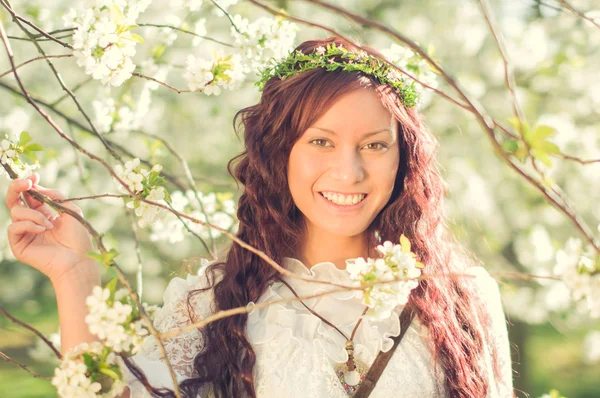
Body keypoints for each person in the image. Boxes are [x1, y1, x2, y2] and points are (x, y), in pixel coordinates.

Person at [4, 36, 513, 397]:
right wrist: (74, 275)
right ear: (278, 154)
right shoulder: (215, 302)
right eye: (321, 141)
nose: (350, 171)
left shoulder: (461, 299)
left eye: (375, 145)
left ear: (404, 159)